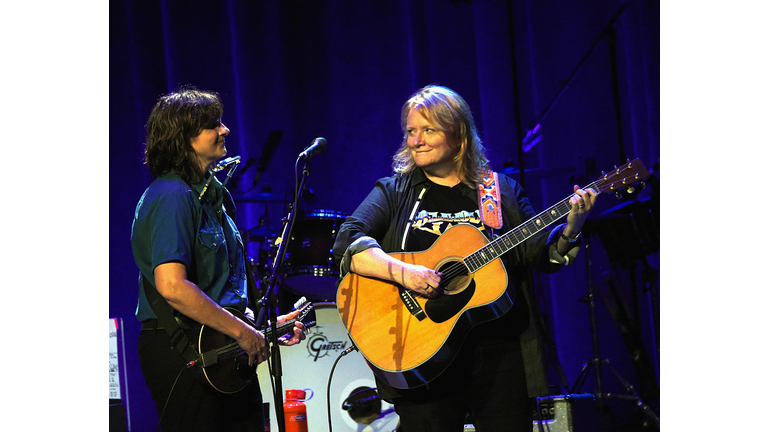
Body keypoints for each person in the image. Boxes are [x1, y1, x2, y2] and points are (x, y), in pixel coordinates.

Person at [332, 84, 597, 432]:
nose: (416, 140)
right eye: (411, 131)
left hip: (499, 350)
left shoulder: (499, 191)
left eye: (428, 130)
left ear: (458, 136)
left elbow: (540, 256)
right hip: (423, 348)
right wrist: (404, 273)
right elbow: (347, 241)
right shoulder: (395, 191)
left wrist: (572, 228)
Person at [131, 87, 306, 432]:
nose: (225, 130)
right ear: (184, 138)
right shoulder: (171, 196)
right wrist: (241, 331)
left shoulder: (216, 196)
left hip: (221, 348)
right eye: (214, 125)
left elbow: (222, 287)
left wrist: (261, 328)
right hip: (180, 348)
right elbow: (173, 286)